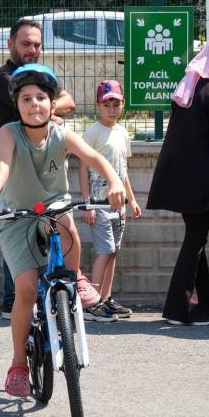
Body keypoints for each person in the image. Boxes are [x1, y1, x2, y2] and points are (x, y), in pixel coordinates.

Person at [0, 64, 126, 397]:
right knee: (27, 289)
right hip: (17, 217)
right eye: (26, 99)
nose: (34, 104)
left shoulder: (62, 133)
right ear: (17, 105)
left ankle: (75, 278)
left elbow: (93, 157)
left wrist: (115, 181)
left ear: (53, 103)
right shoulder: (9, 133)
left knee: (64, 216)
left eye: (41, 98)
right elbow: (2, 166)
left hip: (54, 210)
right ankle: (18, 364)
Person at [0, 17, 96, 319]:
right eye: (25, 43)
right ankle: (14, 303)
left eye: (37, 44)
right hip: (17, 160)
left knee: (60, 223)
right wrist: (50, 109)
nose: (32, 49)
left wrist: (53, 111)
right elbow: (32, 115)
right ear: (11, 44)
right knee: (17, 224)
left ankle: (69, 285)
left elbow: (70, 102)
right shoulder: (4, 77)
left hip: (43, 162)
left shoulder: (37, 74)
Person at [147, 32, 209, 326]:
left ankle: (207, 306)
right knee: (195, 242)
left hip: (179, 177)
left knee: (196, 239)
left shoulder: (190, 83)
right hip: (203, 181)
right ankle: (177, 309)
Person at [76, 79, 139, 322]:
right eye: (107, 104)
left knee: (113, 252)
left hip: (118, 206)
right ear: (98, 106)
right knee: (105, 251)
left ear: (122, 105)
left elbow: (123, 171)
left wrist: (131, 200)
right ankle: (93, 302)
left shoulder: (123, 133)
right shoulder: (92, 132)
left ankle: (106, 298)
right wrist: (87, 202)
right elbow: (82, 168)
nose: (112, 109)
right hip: (99, 204)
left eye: (116, 104)